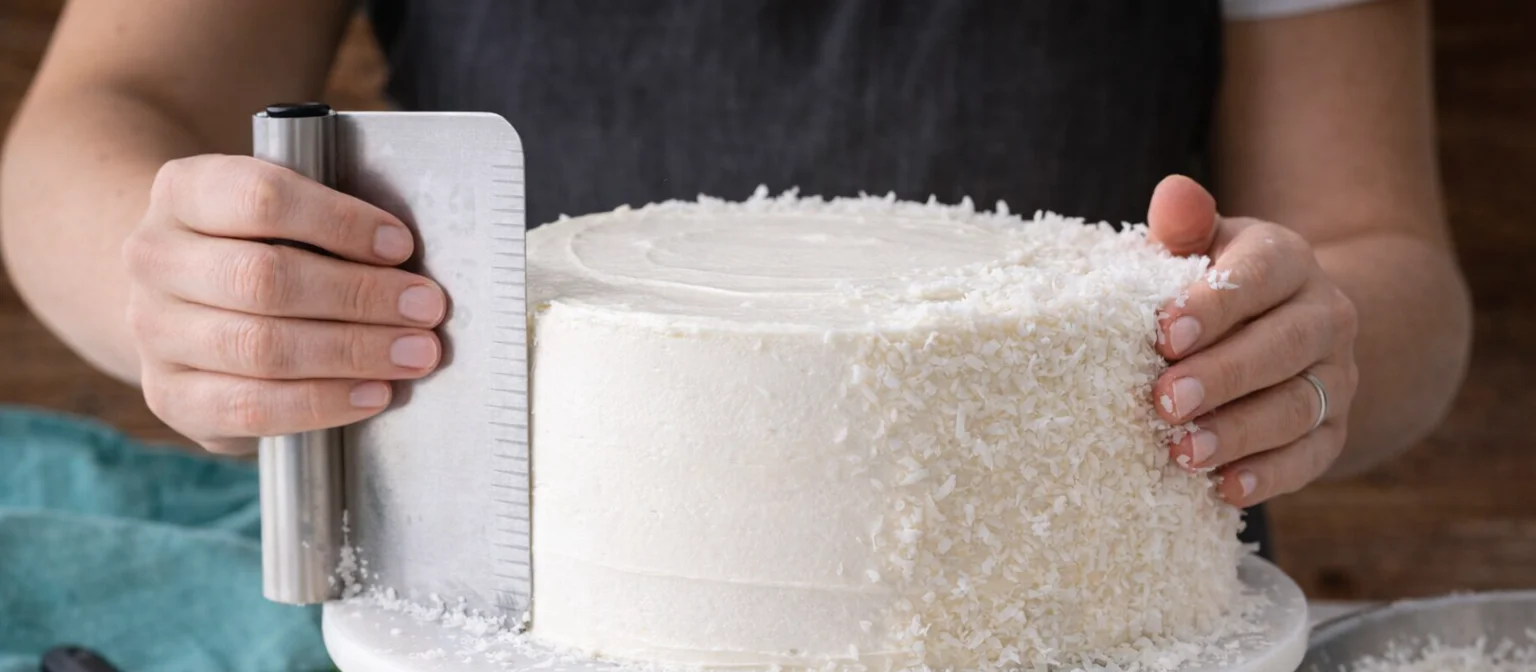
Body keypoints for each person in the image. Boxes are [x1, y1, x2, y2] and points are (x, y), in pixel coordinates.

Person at [0, 0, 1470, 556]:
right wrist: (188, 294)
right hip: (509, 641)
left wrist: (1311, 346)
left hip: (1094, 666)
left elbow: (1382, 248)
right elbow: (94, 118)